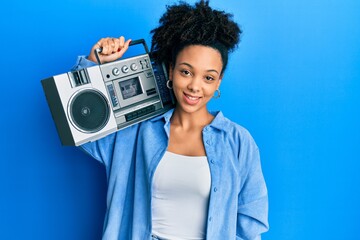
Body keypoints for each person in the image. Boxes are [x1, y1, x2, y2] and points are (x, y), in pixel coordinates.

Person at [72, 1, 269, 239]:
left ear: (219, 81)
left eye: (208, 77)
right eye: (186, 72)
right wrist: (93, 64)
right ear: (171, 69)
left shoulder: (238, 142)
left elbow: (250, 224)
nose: (195, 86)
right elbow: (84, 133)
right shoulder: (136, 131)